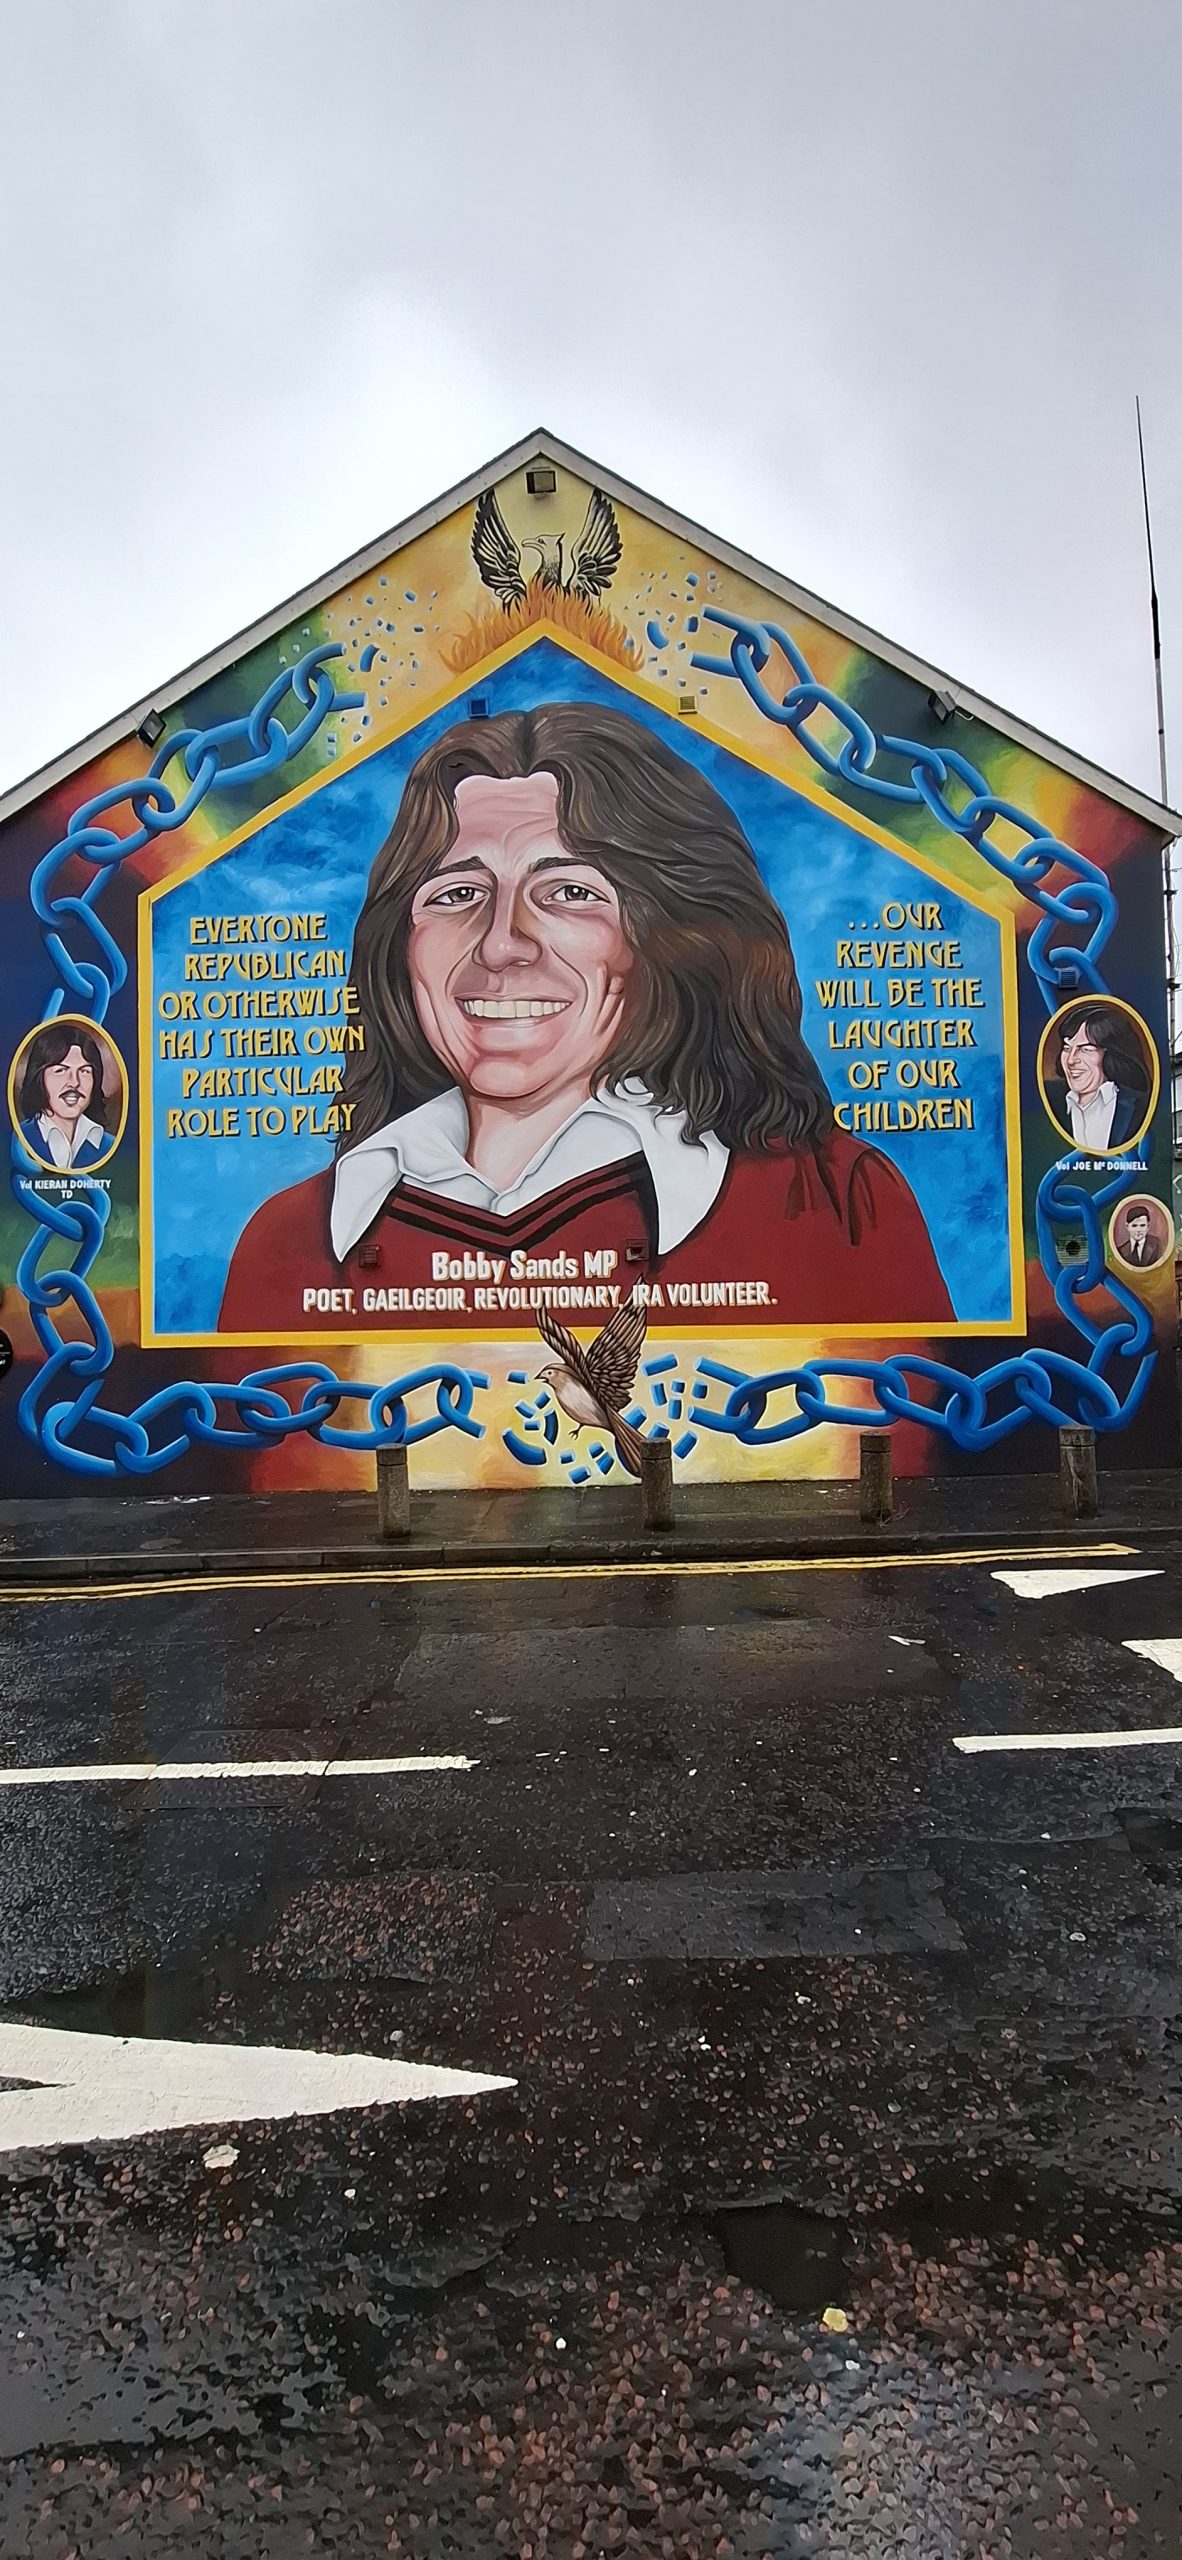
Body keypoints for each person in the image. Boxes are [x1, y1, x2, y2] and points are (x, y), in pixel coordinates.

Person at [220, 702, 953, 1332]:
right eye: (456, 895)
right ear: (401, 949)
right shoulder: (290, 1240)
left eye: (570, 894)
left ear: (664, 936)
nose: (501, 944)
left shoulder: (833, 1201)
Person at [1047, 1004, 1149, 1154]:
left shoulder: (1140, 1106)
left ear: (1111, 1055)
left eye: (1085, 1050)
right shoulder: (1047, 1098)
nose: (1070, 1060)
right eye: (1067, 1048)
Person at [17, 1022, 115, 1170]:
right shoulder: (19, 1140)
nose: (74, 1083)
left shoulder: (109, 1145)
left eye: (84, 1071)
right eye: (61, 1071)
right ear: (38, 1077)